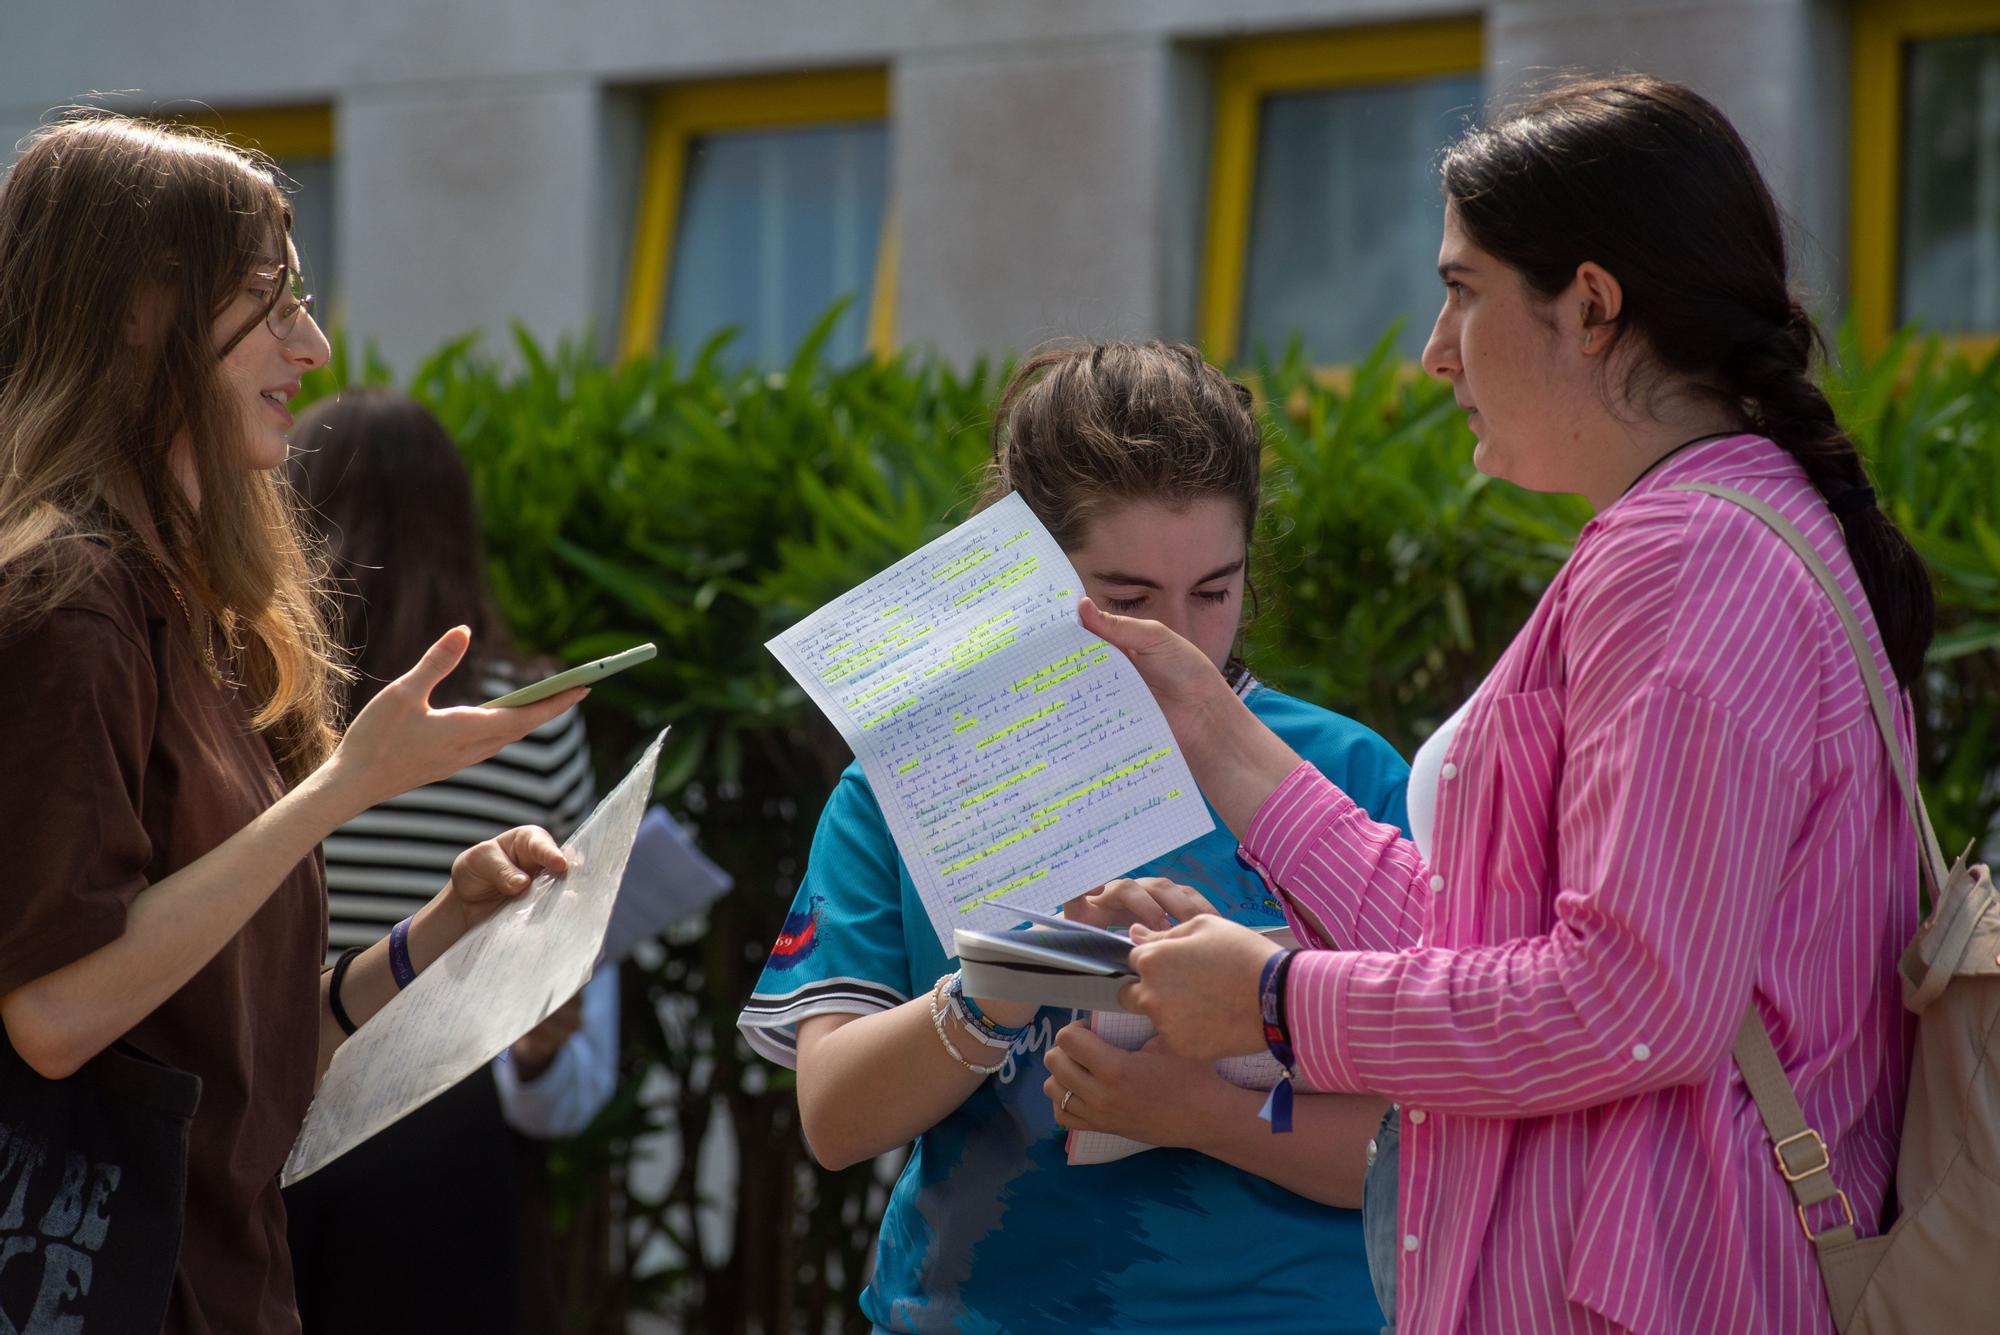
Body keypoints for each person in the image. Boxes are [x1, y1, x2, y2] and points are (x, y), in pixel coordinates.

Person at [1095, 77, 1931, 1334]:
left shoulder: (1686, 556)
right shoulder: (1692, 533)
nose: (1432, 351)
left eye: (1461, 289)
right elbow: (1492, 936)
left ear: (1587, 307)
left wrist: (1272, 1002)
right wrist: (1203, 722)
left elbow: (1630, 1003)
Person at [0, 114, 586, 1333]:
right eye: (269, 305)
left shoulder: (185, 607)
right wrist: (340, 790)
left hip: (221, 1277)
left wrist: (441, 933)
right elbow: (53, 1018)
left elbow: (257, 1049)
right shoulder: (68, 607)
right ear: (138, 315)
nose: (311, 346)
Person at [738, 340, 1411, 1334]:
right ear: (1020, 572)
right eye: (1127, 600)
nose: (1176, 641)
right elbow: (834, 1119)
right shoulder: (907, 782)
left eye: (1213, 592)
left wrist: (1199, 1109)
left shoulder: (1341, 776)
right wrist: (1003, 983)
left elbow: (1422, 1150)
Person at [281, 389, 617, 1334]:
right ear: (456, 528)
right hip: (443, 1120)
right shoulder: (528, 720)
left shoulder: (257, 707)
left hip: (270, 1097)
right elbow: (563, 990)